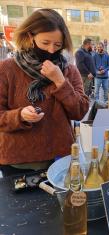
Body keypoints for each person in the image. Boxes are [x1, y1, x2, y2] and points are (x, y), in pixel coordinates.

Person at [0, 9, 89, 169]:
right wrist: (19, 115)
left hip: (60, 157)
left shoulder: (69, 70)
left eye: (58, 45)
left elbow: (80, 112)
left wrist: (61, 81)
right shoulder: (7, 69)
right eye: (45, 43)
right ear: (29, 37)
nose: (51, 50)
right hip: (18, 160)